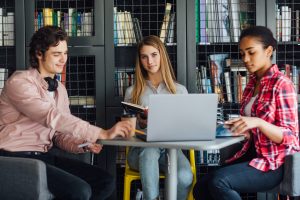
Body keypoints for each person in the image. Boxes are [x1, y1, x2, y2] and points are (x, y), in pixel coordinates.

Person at [0, 26, 132, 200]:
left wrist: (82, 143)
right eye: (56, 54)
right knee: (79, 190)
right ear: (39, 54)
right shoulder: (19, 82)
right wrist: (101, 132)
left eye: (65, 53)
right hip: (14, 158)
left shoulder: (59, 89)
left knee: (106, 182)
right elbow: (51, 117)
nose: (63, 59)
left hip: (43, 156)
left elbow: (59, 135)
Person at [193, 26, 300, 200]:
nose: (246, 59)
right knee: (201, 187)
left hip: (274, 163)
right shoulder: (251, 84)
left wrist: (258, 122)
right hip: (250, 153)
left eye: (251, 52)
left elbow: (291, 137)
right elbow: (253, 128)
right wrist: (241, 129)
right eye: (242, 54)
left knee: (219, 182)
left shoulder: (282, 84)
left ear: (268, 51)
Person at [124, 35, 193, 200]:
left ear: (162, 55)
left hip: (171, 151)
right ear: (140, 60)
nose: (150, 61)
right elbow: (128, 132)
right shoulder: (132, 92)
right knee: (149, 151)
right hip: (140, 151)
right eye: (144, 57)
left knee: (184, 177)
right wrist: (140, 124)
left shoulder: (180, 91)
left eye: (154, 55)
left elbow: (188, 127)